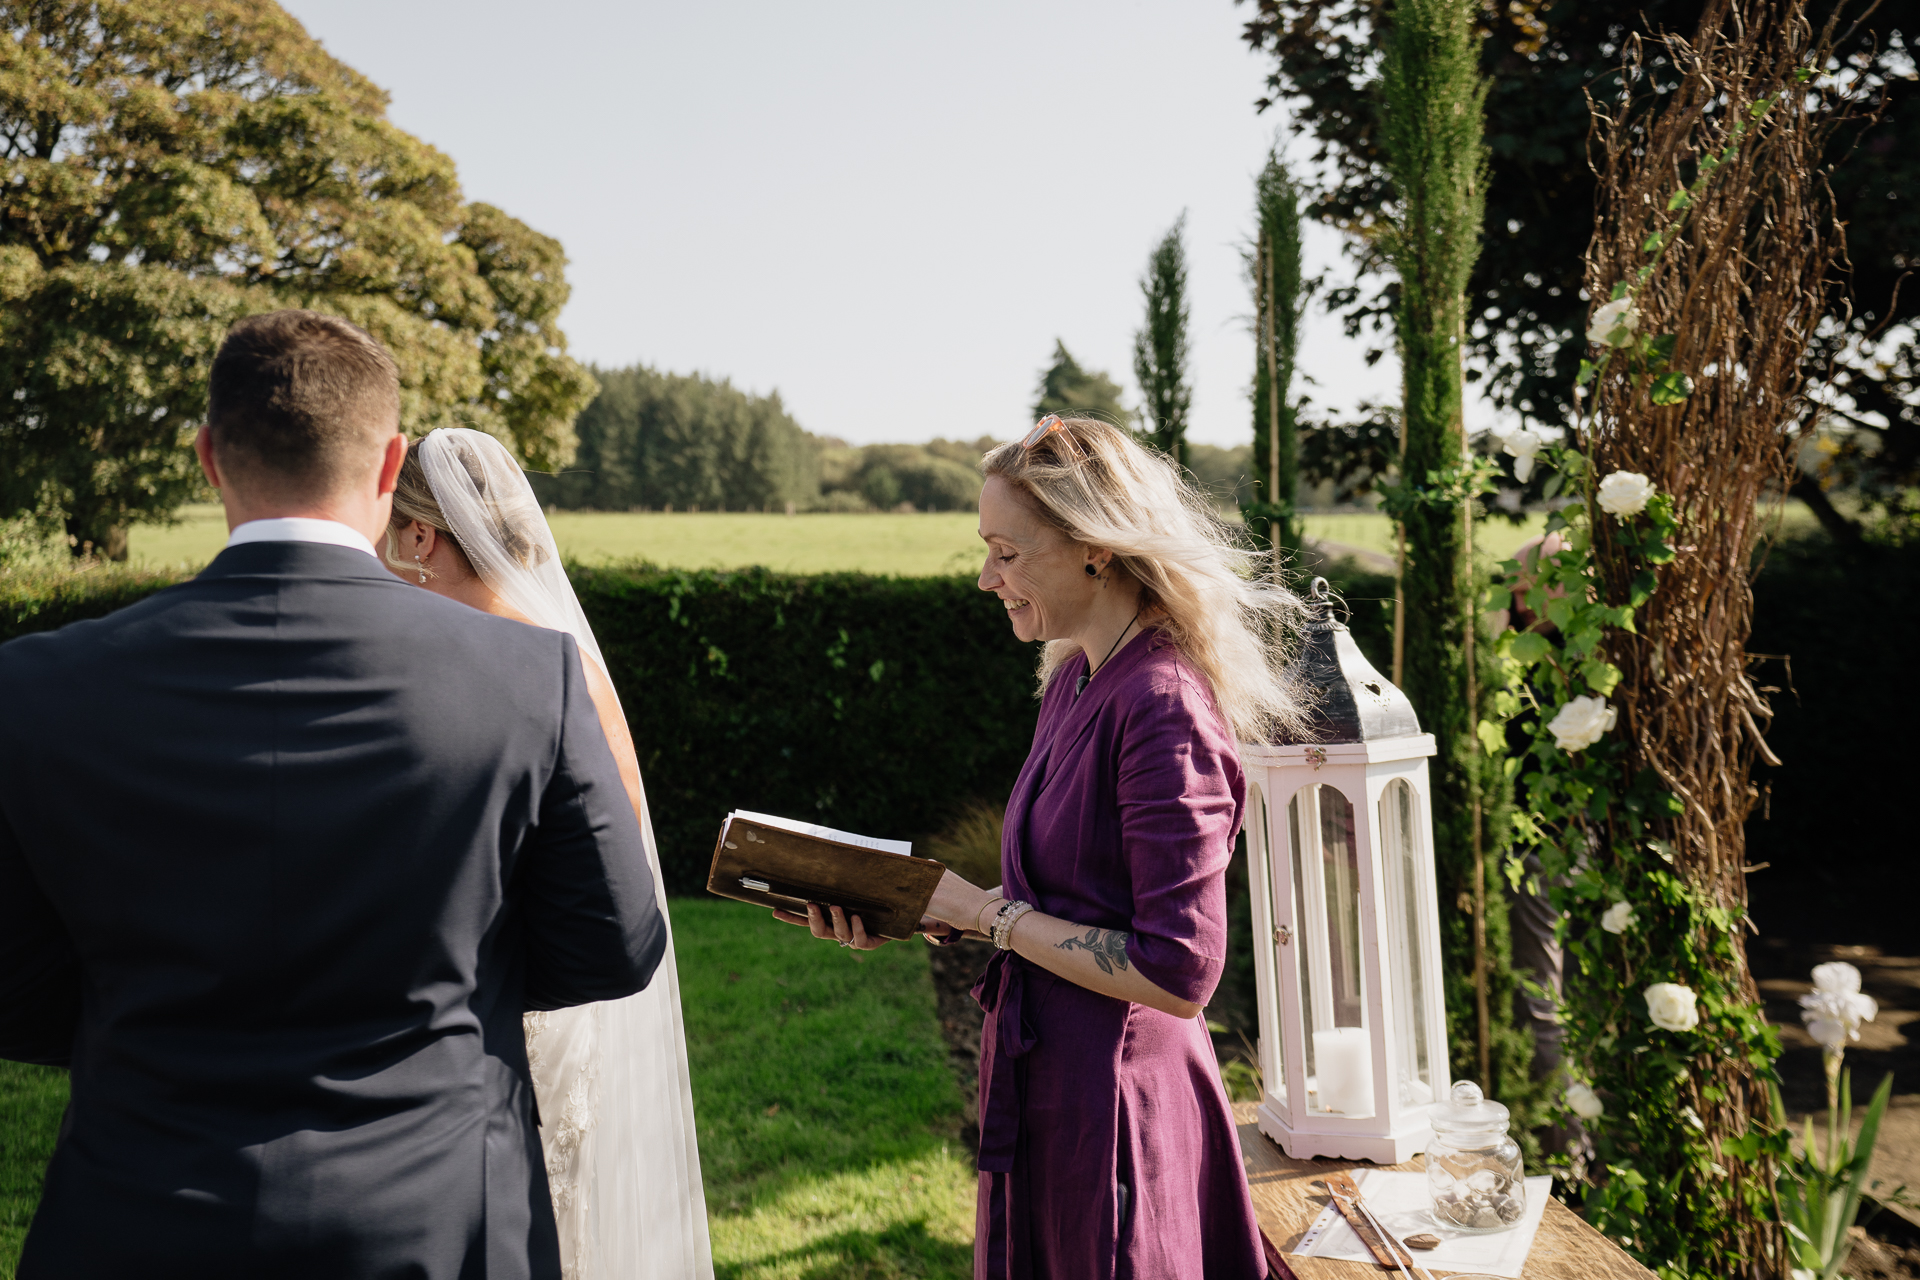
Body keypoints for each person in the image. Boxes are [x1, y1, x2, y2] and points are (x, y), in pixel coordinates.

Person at [0, 310, 666, 1279]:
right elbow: (614, 940)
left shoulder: (38, 683)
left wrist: (154, 1023)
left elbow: (13, 982)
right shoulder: (533, 679)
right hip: (438, 1224)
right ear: (392, 463)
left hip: (137, 1218)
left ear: (209, 458)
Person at [781, 415, 1304, 1279]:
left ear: (1095, 547)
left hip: (1115, 1110)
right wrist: (920, 910)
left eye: (1007, 552)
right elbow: (1065, 899)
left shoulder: (1162, 705)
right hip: (1051, 1089)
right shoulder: (1077, 676)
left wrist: (986, 915)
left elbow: (1179, 970)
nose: (987, 579)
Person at [385, 426, 713, 1279]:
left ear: (422, 537)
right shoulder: (545, 654)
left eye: (387, 531)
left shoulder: (539, 670)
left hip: (530, 1003)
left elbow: (612, 868)